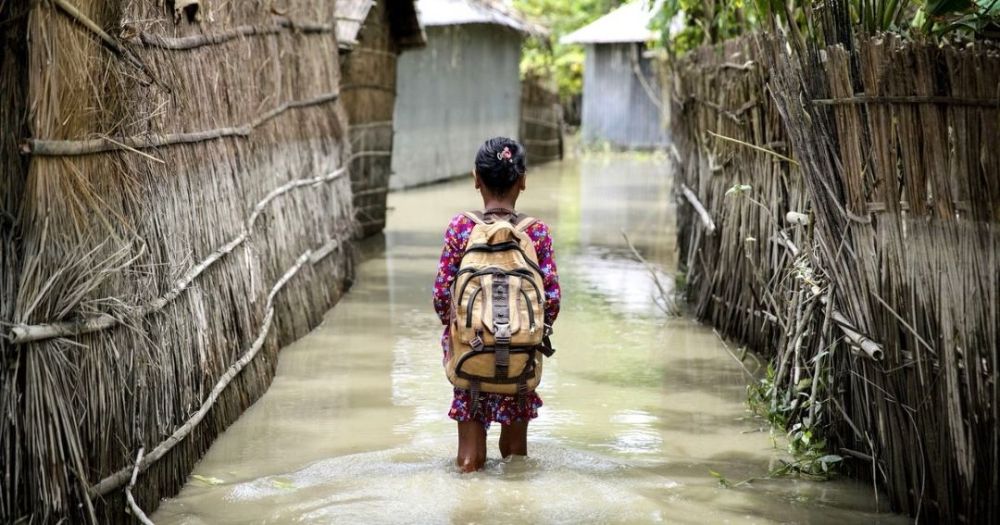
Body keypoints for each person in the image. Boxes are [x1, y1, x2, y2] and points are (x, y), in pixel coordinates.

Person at [432, 137, 561, 473]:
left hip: (470, 354)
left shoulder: (461, 228)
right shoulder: (537, 233)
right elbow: (553, 302)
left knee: (469, 460)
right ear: (523, 180)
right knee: (516, 458)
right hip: (520, 359)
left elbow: (442, 296)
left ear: (476, 178)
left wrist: (467, 329)